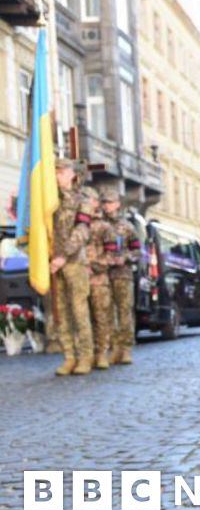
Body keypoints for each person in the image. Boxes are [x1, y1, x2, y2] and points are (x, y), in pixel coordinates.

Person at [50, 159, 94, 376]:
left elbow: (82, 231)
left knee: (79, 311)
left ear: (72, 175)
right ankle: (69, 356)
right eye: (55, 171)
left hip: (74, 261)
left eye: (61, 171)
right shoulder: (48, 199)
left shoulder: (82, 199)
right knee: (60, 312)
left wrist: (62, 256)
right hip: (52, 264)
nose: (57, 174)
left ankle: (85, 356)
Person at [101, 190, 141, 365]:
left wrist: (126, 257)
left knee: (125, 312)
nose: (106, 206)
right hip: (103, 274)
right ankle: (113, 347)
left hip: (123, 274)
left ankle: (126, 349)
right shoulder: (100, 225)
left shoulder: (127, 227)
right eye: (104, 203)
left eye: (110, 202)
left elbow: (138, 251)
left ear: (117, 204)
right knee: (107, 313)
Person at [83, 187, 115, 369]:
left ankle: (102, 353)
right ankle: (86, 354)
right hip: (80, 277)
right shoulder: (78, 223)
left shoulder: (105, 226)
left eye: (88, 199)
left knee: (101, 317)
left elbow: (111, 254)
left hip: (99, 278)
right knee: (83, 318)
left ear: (95, 203)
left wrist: (94, 267)